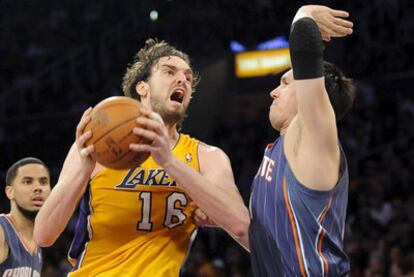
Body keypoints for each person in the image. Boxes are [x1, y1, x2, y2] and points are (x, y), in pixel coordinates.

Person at [34, 39, 249, 276]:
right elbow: (43, 234)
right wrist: (83, 170)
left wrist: (169, 162)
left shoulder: (208, 157)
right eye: (169, 72)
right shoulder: (98, 143)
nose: (182, 80)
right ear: (142, 87)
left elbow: (241, 226)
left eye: (188, 77)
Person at [247, 7, 356, 277]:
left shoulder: (313, 135)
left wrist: (304, 13)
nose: (273, 92)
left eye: (285, 83)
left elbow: (304, 42)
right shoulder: (278, 151)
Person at [0, 157, 51, 276]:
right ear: (10, 192)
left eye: (43, 182)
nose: (38, 188)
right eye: (28, 182)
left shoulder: (37, 241)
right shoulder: (2, 230)